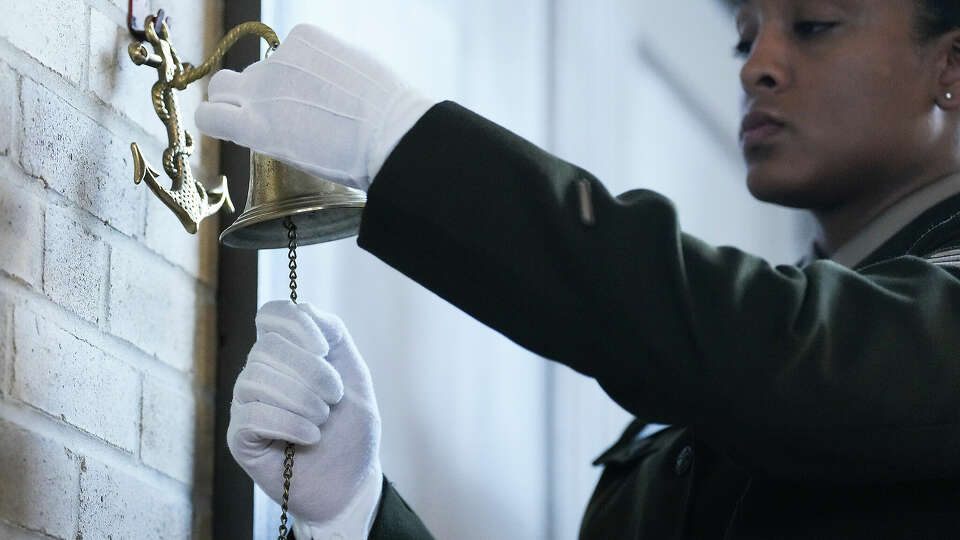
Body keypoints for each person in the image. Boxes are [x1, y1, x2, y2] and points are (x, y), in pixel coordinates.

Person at [198, 1, 960, 538]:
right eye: (745, 39)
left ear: (950, 66)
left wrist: (407, 145)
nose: (757, 66)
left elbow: (780, 353)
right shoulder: (722, 379)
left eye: (815, 26)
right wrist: (355, 514)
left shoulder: (778, 347)